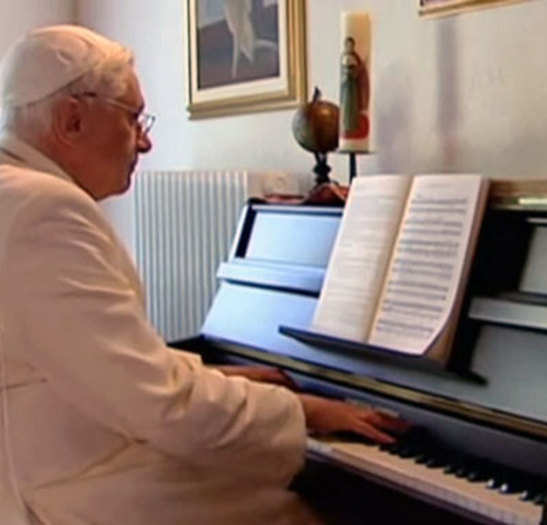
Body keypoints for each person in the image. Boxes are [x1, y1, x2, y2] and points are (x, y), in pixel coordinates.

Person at [0, 25, 405, 525]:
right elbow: (158, 404)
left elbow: (93, 362)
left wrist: (216, 375)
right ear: (72, 120)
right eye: (133, 119)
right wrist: (303, 411)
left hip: (47, 464)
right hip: (68, 491)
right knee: (297, 512)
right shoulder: (46, 210)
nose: (145, 142)